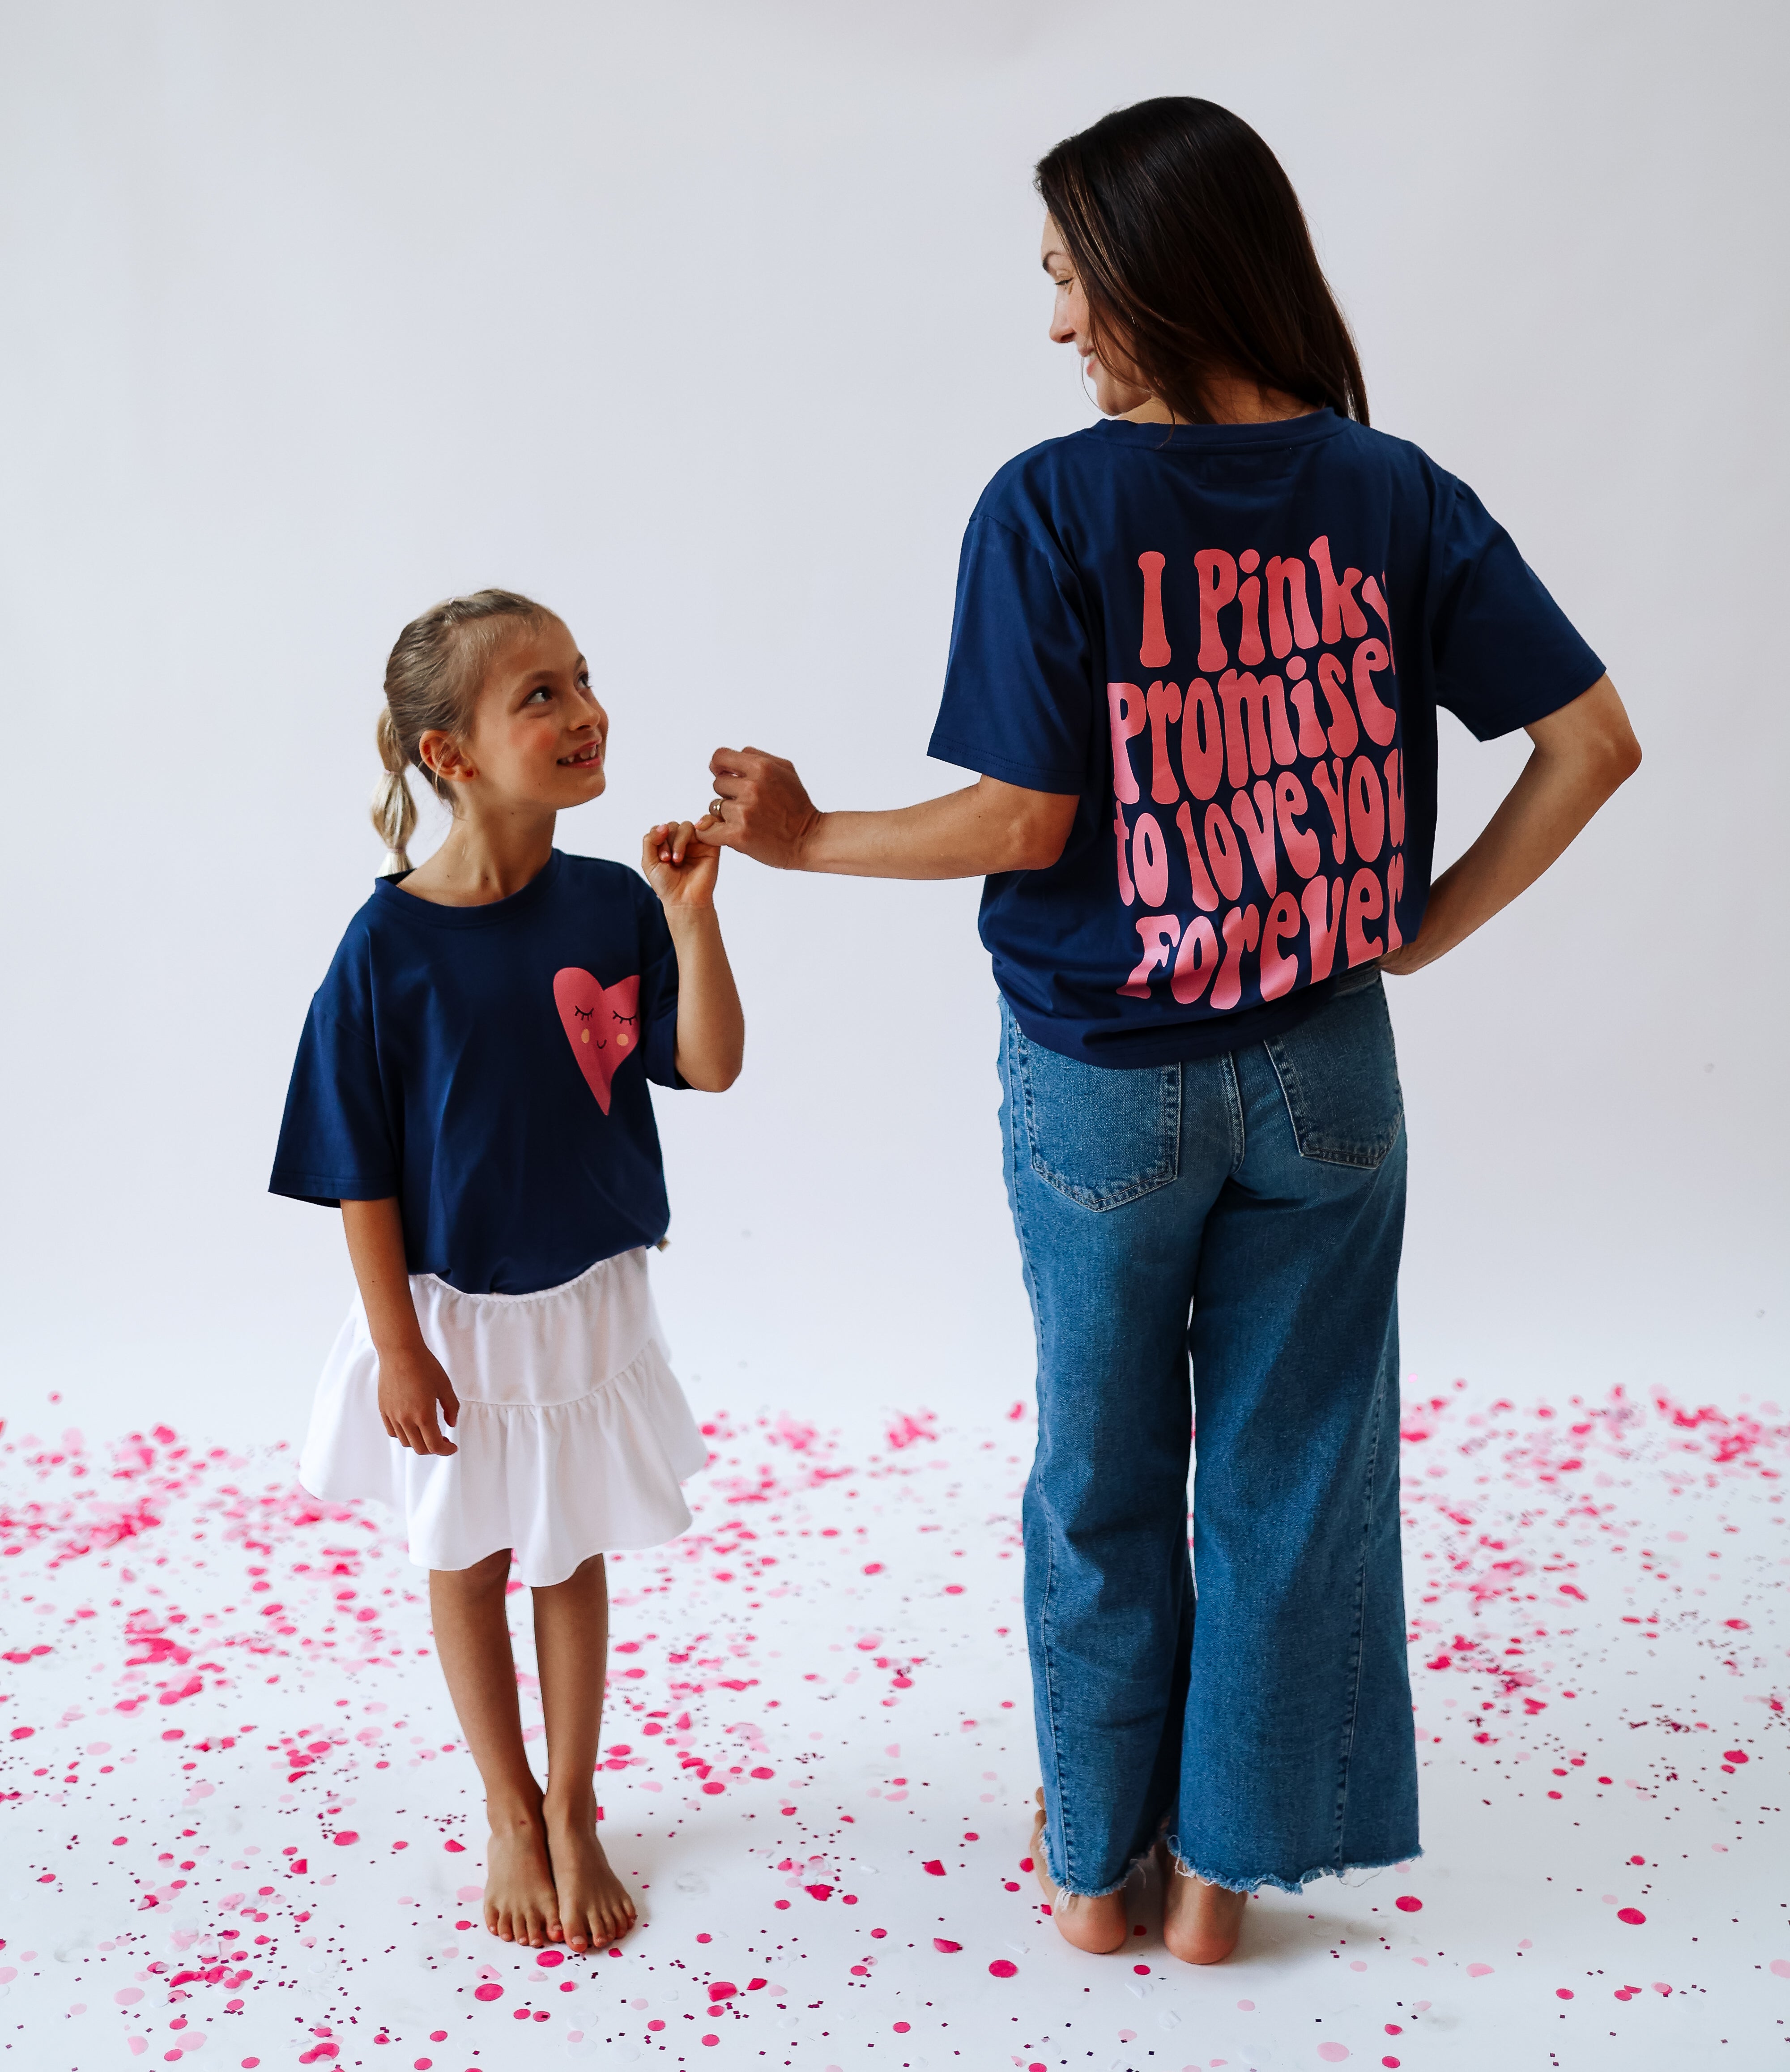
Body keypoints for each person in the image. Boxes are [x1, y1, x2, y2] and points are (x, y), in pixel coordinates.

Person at [692, 98, 1639, 1965]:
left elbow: (1021, 820)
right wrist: (1416, 930)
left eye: (1070, 277)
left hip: (1104, 1085)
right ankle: (1221, 1885)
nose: (1056, 323)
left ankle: (1092, 1876)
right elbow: (1592, 742)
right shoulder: (1393, 492)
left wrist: (807, 839)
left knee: (1099, 1478)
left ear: (1156, 268)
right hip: (1327, 1069)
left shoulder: (1053, 504)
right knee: (1293, 1479)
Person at [269, 589, 743, 1955]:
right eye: (542, 693)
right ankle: (511, 1808)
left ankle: (577, 1805)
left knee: (567, 1546)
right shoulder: (386, 950)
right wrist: (397, 1344)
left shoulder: (613, 903)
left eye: (583, 678)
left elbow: (708, 1065)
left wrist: (692, 917)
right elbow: (357, 1164)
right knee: (470, 1557)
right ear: (451, 755)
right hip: (451, 1312)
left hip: (583, 1303)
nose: (586, 711)